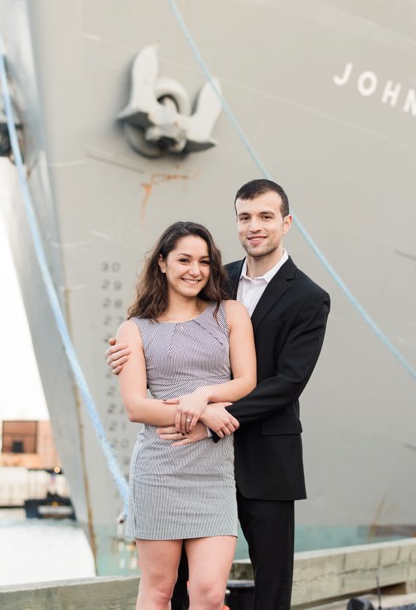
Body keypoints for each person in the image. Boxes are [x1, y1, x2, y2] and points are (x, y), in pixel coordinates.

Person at [108, 180, 331, 610]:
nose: (254, 226)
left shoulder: (309, 297)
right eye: (245, 217)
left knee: (270, 582)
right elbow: (162, 328)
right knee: (174, 587)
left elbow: (288, 382)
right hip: (185, 455)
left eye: (266, 217)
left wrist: (212, 413)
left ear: (285, 223)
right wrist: (122, 348)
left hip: (262, 454)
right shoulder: (213, 277)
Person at [116, 221, 256, 610]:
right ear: (162, 263)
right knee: (158, 590)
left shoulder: (230, 314)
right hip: (159, 470)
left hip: (213, 474)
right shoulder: (134, 329)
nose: (194, 270)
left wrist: (203, 398)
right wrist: (205, 415)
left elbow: (246, 381)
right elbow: (136, 407)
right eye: (183, 259)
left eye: (204, 261)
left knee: (209, 594)